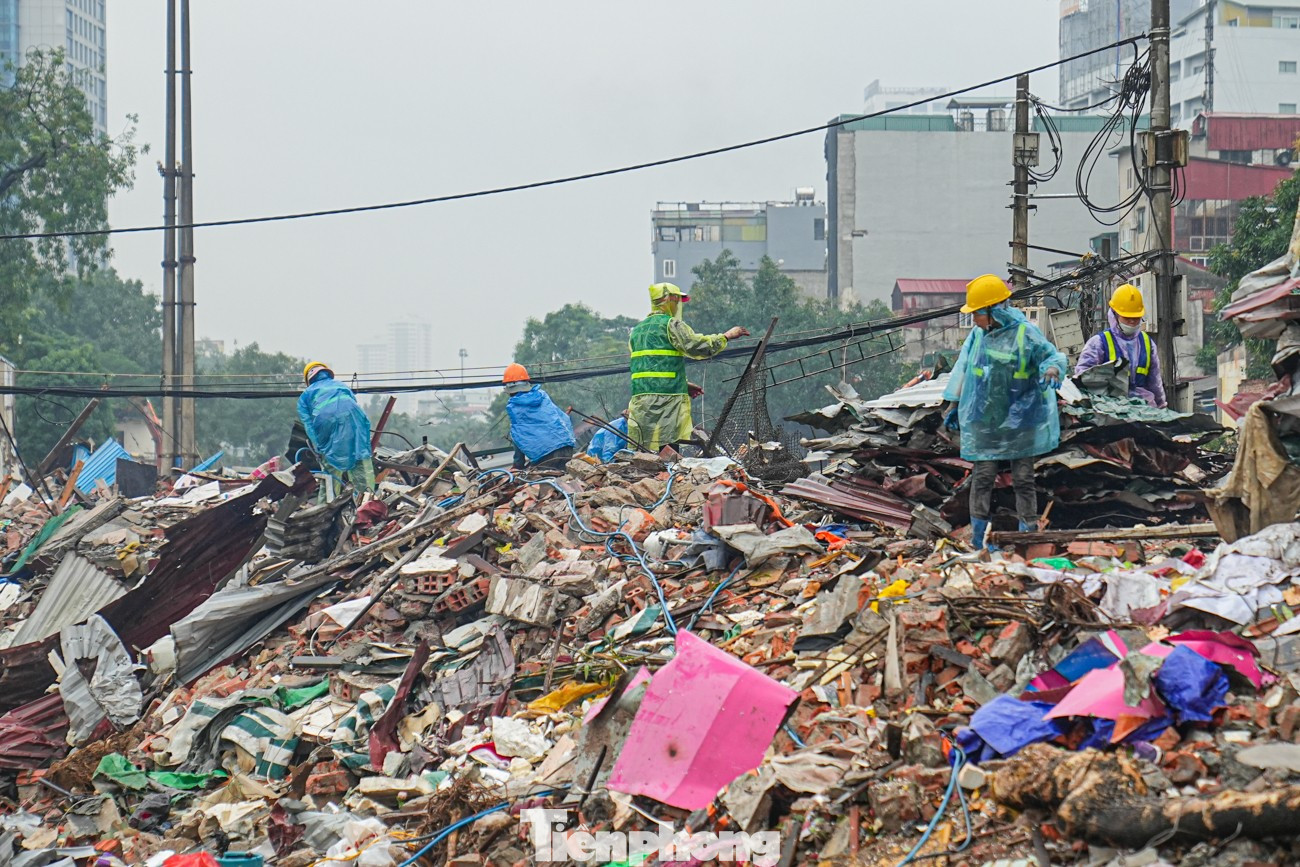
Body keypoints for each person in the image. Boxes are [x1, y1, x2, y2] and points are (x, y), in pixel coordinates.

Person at [941, 274, 1067, 553]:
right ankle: (979, 540)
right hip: (987, 420)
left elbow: (1052, 355)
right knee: (983, 477)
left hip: (1022, 420)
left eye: (976, 313)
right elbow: (962, 370)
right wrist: (952, 404)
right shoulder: (977, 336)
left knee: (1023, 479)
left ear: (994, 310)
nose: (973, 318)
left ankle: (1028, 535)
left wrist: (1052, 369)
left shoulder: (1025, 333)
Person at [627, 282, 748, 454]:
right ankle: (667, 477)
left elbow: (653, 365)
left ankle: (642, 477)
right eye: (677, 300)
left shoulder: (637, 331)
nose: (678, 305)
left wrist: (684, 384)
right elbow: (696, 346)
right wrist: (726, 336)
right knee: (668, 446)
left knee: (641, 446)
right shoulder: (671, 325)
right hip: (668, 397)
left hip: (641, 399)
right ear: (669, 300)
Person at [1074, 284, 1167, 408]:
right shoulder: (1098, 343)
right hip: (1110, 413)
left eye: (1136, 318)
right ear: (1114, 315)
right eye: (1127, 317)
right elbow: (1082, 381)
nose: (1132, 322)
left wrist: (1162, 408)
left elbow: (1155, 383)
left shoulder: (1147, 343)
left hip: (1144, 411)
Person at [297, 361, 375, 492]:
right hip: (355, 419)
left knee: (331, 471)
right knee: (359, 459)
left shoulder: (305, 396)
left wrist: (320, 448)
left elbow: (309, 426)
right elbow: (352, 405)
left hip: (326, 423)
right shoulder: (341, 386)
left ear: (309, 379)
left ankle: (328, 504)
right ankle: (368, 502)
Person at [503, 363, 577, 470]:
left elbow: (518, 436)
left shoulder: (514, 407)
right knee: (566, 481)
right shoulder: (542, 396)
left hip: (545, 456)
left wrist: (517, 465)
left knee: (545, 484)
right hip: (566, 449)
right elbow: (563, 419)